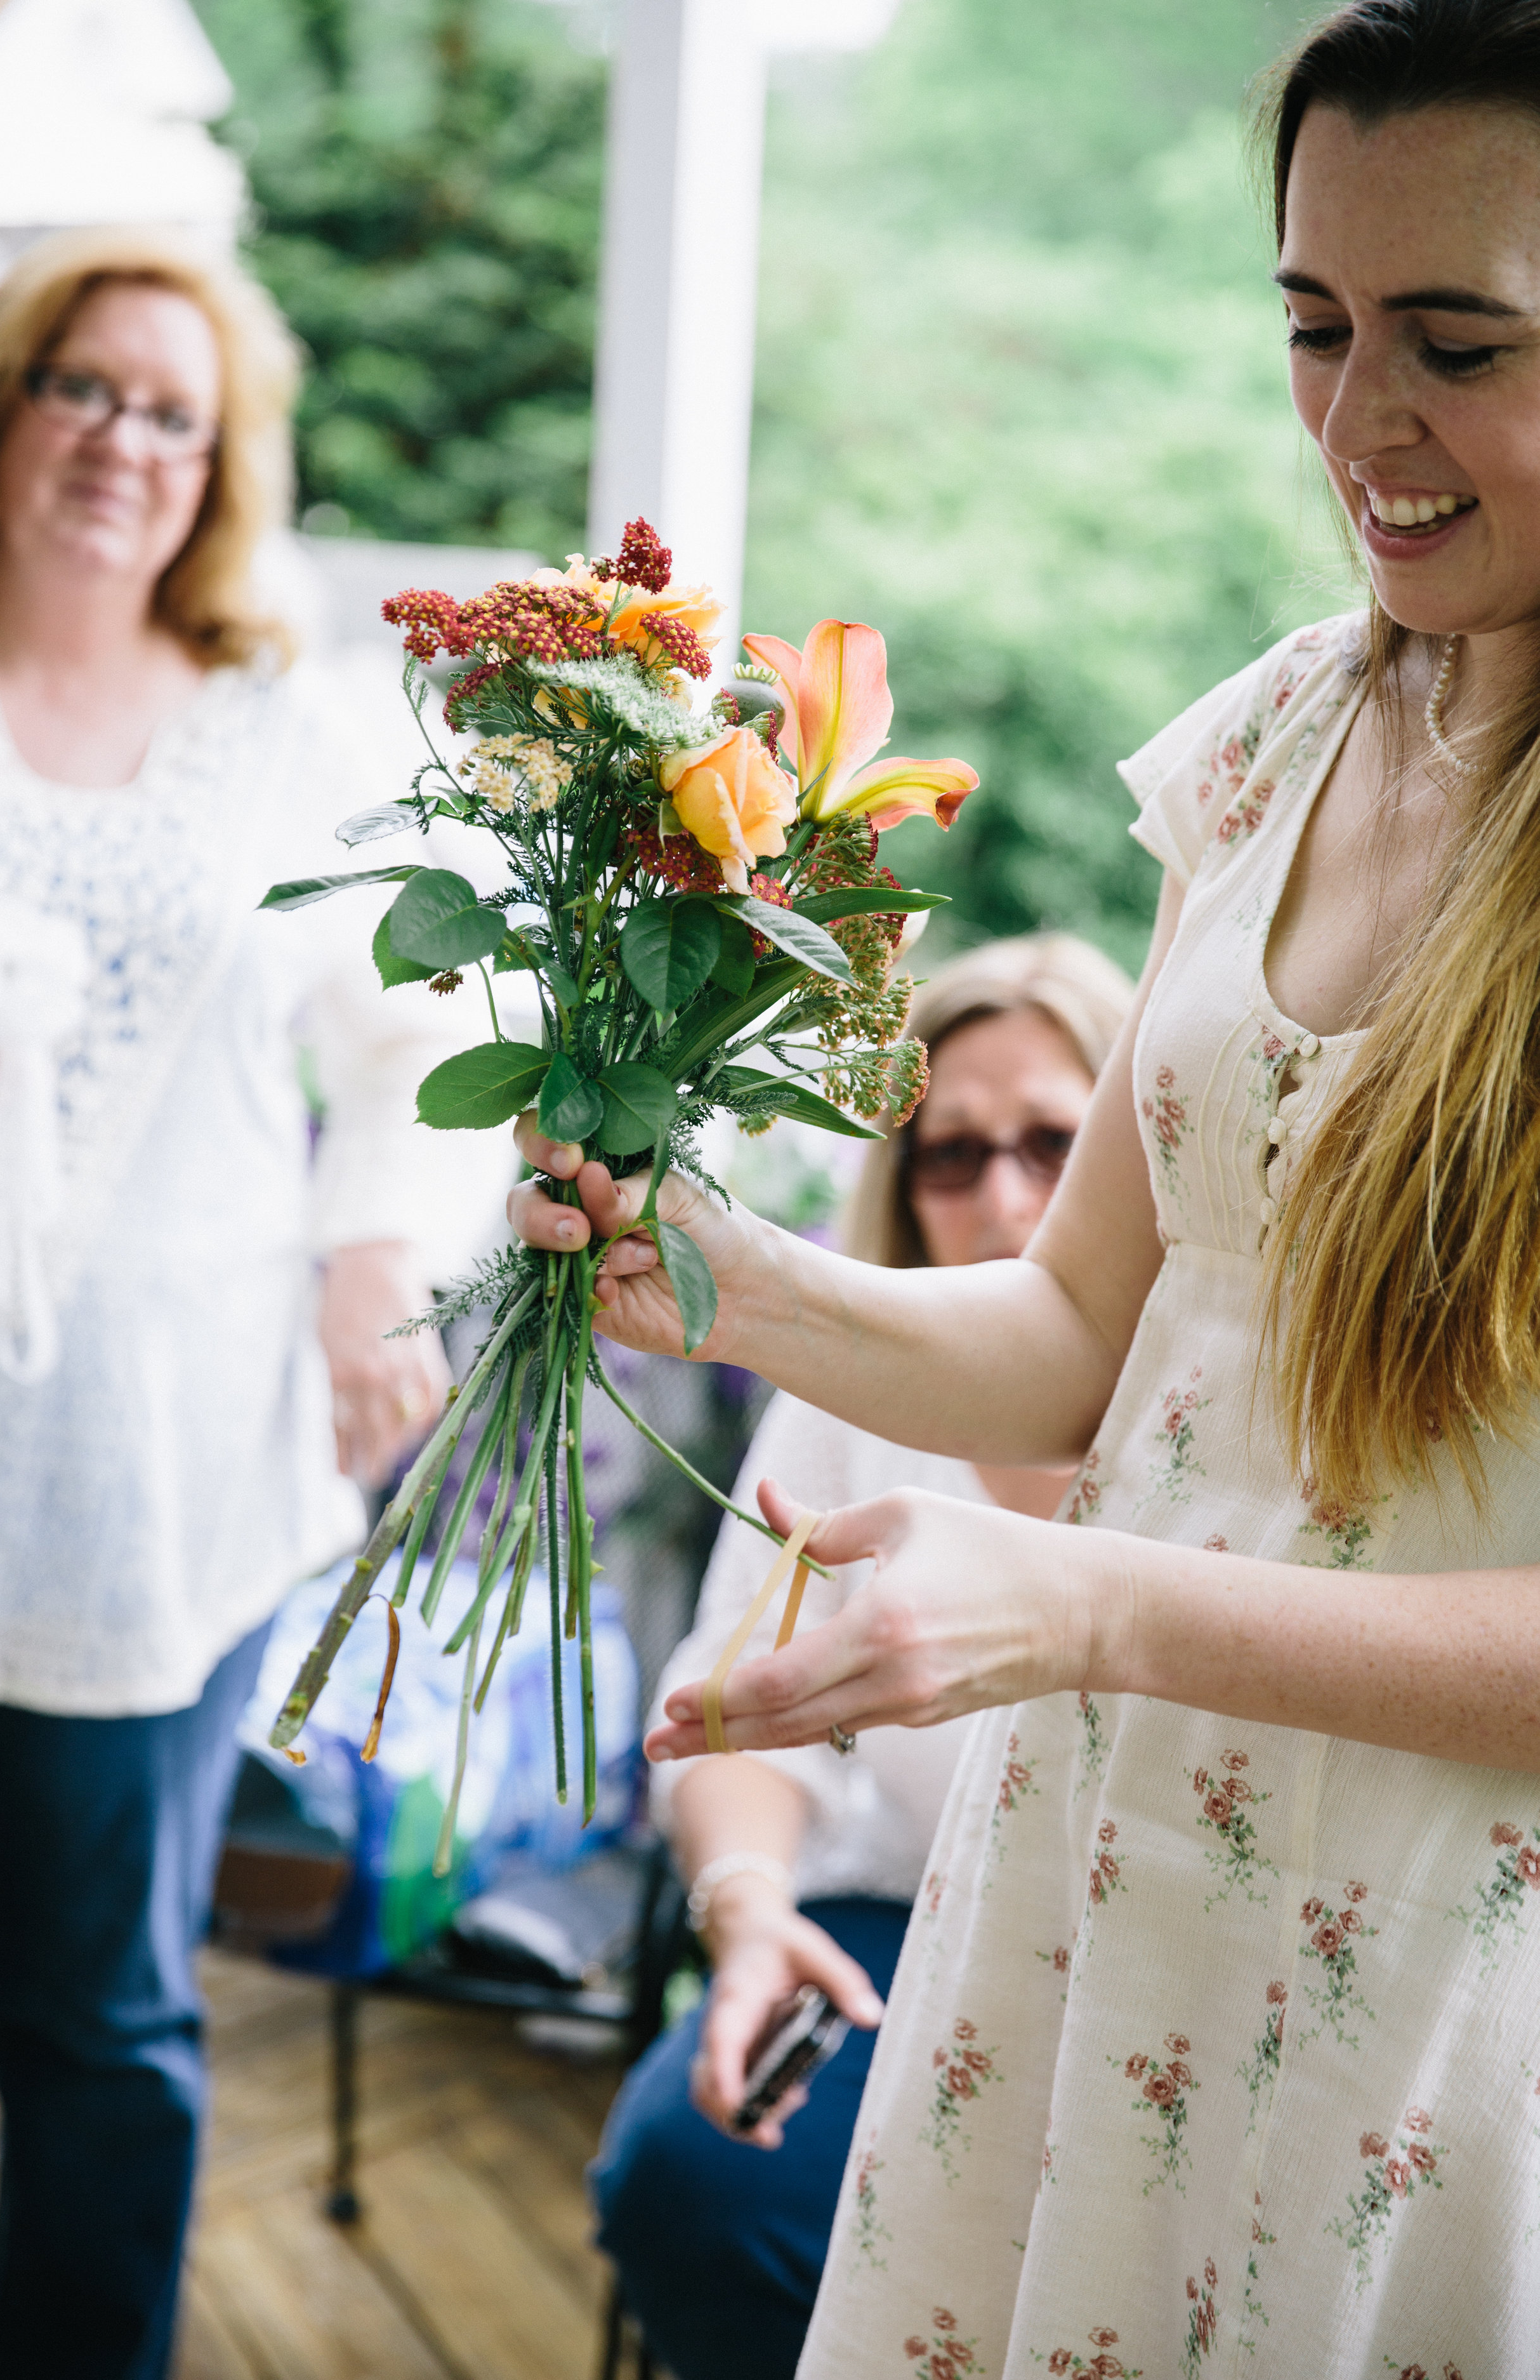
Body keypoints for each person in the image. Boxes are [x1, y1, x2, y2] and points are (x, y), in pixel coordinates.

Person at [513, 1, 1540, 2360]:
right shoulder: (1285, 728)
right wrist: (727, 1277)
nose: (1361, 423)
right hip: (1105, 1889)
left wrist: (1086, 1610)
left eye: (1455, 343)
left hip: (1431, 1983)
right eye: (1315, 325)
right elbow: (1089, 1336)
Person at [0, 230, 480, 2378]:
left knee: (103, 2018)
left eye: (178, 411)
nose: (125, 443)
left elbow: (411, 1038)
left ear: (227, 461)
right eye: (88, 386)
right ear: (0, 406)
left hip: (141, 1471)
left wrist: (379, 1271)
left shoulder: (290, 726)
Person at [590, 936, 1132, 2380]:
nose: (1002, 1197)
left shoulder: (1216, 1413)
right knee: (686, 2183)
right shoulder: (850, 1392)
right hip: (903, 1927)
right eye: (949, 1156)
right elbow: (726, 1706)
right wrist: (746, 1906)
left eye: (1052, 1143)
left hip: (1153, 1962)